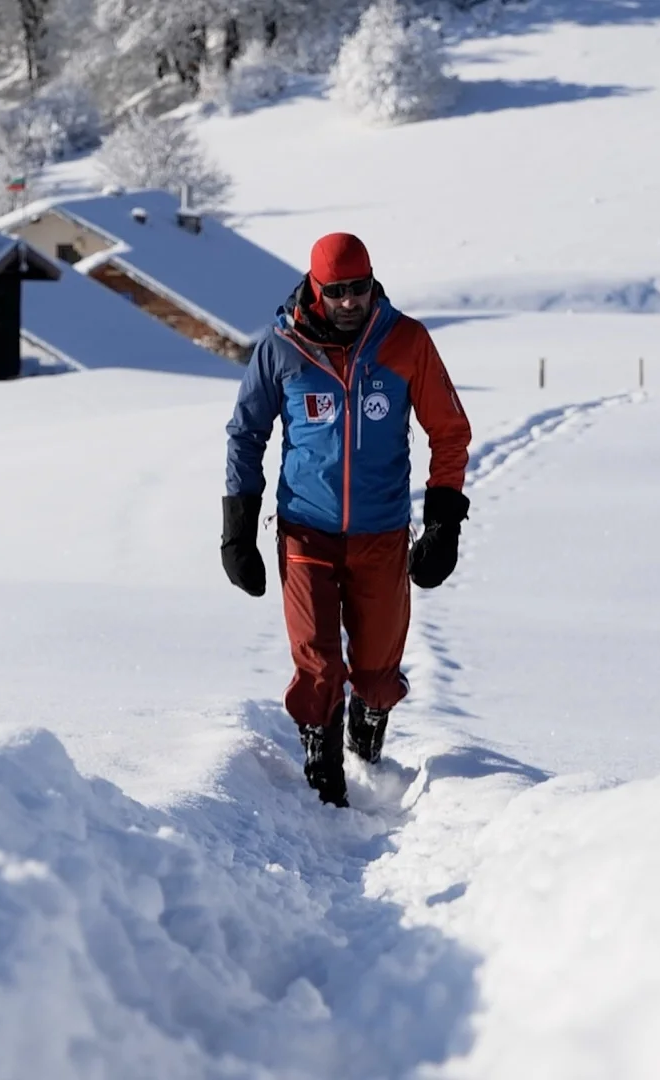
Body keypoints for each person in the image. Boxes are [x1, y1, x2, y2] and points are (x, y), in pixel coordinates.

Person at [221, 233, 472, 807]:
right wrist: (238, 527)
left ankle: (369, 717)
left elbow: (450, 431)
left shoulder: (406, 341)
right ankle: (321, 757)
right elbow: (246, 434)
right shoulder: (282, 347)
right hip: (305, 529)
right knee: (316, 659)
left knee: (379, 667)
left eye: (358, 288)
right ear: (315, 287)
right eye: (336, 292)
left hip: (381, 532)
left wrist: (443, 524)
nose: (349, 302)